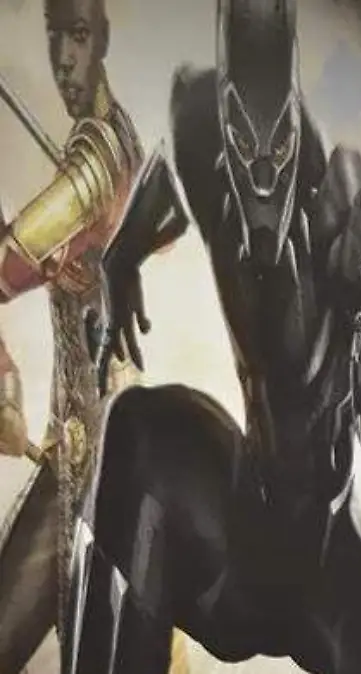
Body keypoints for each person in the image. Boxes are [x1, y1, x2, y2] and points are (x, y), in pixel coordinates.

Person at [62, 0, 361, 670]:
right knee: (137, 429)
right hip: (241, 530)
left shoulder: (334, 207)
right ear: (224, 119)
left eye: (277, 147)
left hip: (324, 560)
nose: (262, 173)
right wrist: (121, 258)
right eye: (243, 141)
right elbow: (166, 170)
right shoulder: (201, 130)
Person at [0, 0, 189, 670]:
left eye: (77, 37)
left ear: (102, 39)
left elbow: (6, 264)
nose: (63, 60)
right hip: (103, 449)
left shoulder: (96, 154)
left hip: (92, 464)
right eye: (55, 37)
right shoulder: (121, 138)